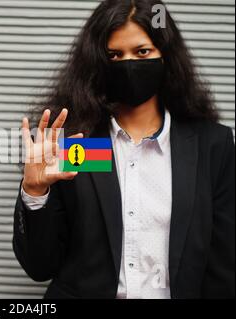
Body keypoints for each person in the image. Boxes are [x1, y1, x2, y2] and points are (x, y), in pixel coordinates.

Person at [13, 0, 235, 299]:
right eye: (114, 55)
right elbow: (41, 266)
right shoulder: (79, 144)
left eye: (142, 52)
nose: (129, 65)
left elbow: (223, 268)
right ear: (98, 62)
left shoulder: (211, 146)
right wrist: (35, 192)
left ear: (165, 55)